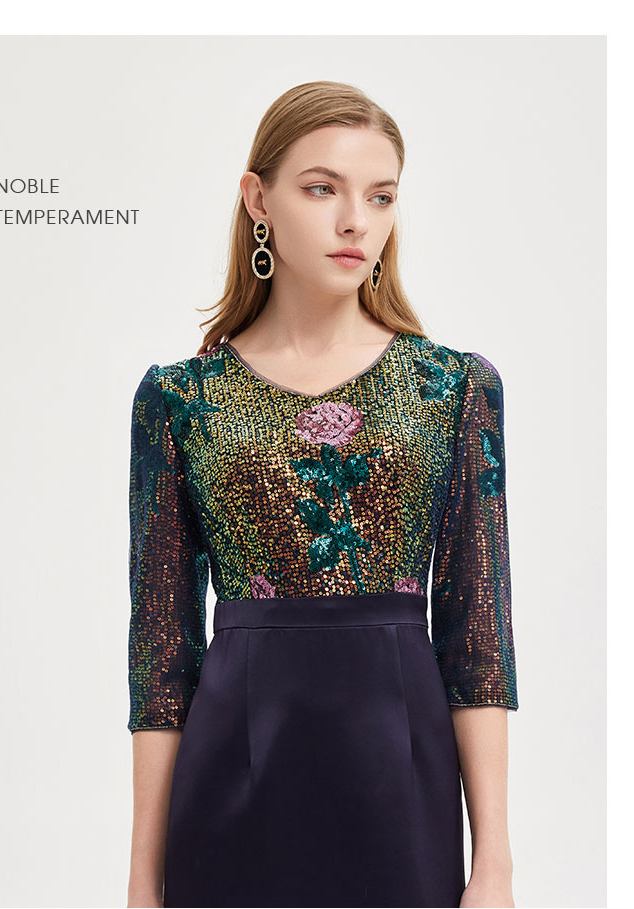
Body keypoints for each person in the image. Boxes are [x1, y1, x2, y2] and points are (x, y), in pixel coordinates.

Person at [126, 80, 519, 909]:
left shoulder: (452, 388)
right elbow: (162, 655)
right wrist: (141, 880)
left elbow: (477, 638)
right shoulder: (181, 398)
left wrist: (495, 864)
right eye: (321, 189)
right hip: (230, 783)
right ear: (257, 199)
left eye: (380, 196)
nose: (355, 222)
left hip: (400, 784)